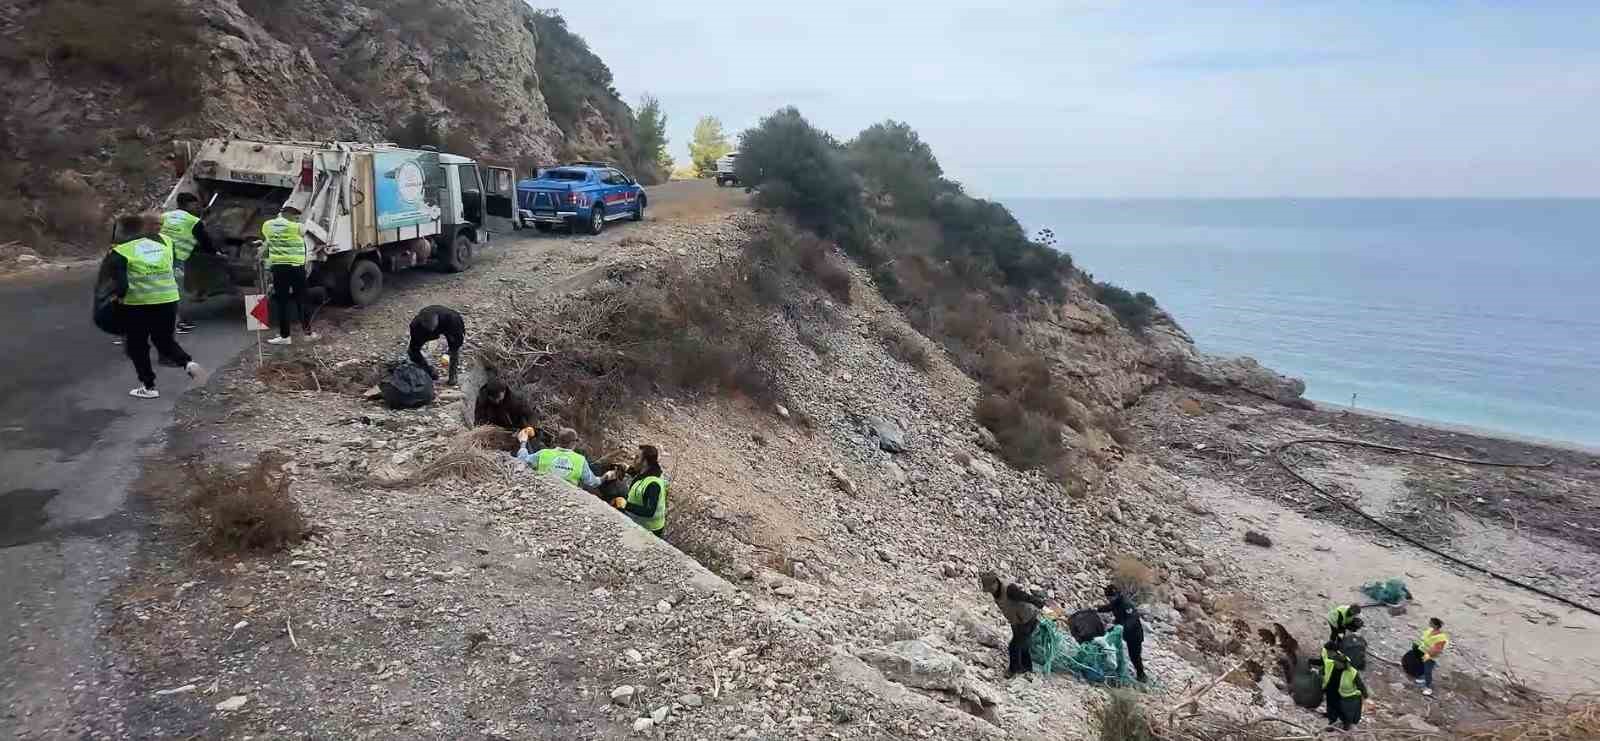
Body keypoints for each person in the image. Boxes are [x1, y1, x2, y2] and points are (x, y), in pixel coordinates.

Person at [105, 212, 207, 398]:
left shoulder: (122, 250)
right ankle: (189, 364)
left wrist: (117, 299)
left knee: (138, 345)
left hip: (138, 303)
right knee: (165, 341)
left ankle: (149, 386)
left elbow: (120, 284)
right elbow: (171, 265)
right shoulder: (168, 243)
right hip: (168, 299)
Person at [261, 205, 318, 346]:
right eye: (295, 216)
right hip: (296, 269)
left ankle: (285, 336)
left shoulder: (267, 225)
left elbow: (267, 239)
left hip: (279, 269)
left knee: (282, 302)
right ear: (287, 214)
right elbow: (305, 231)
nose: (296, 218)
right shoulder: (296, 227)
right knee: (302, 300)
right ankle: (308, 333)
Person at [160, 192, 216, 334]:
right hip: (175, 258)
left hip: (157, 255)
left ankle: (175, 321)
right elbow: (205, 240)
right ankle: (177, 323)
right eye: (195, 204)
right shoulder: (193, 221)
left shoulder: (165, 216)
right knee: (176, 293)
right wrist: (215, 253)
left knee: (161, 290)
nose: (198, 207)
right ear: (187, 205)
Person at [978, 572, 1046, 677]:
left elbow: (1025, 596)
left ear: (996, 582)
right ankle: (1026, 669)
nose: (990, 591)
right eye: (988, 590)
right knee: (1022, 643)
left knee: (1014, 645)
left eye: (991, 588)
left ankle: (1014, 670)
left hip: (1028, 617)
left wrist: (1039, 603)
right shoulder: (996, 592)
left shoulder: (1010, 589)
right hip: (1017, 620)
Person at [603, 444, 667, 536]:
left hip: (649, 528)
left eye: (637, 457)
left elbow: (649, 511)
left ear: (645, 462)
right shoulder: (649, 470)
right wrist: (627, 468)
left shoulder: (653, 485)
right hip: (638, 518)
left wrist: (625, 505)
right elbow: (640, 475)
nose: (634, 459)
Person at [517, 427, 601, 488]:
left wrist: (523, 442)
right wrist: (606, 477)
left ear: (558, 441)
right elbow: (593, 482)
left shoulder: (543, 454)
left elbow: (522, 461)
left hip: (542, 493)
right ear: (573, 443)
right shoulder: (580, 460)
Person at [1097, 583, 1148, 682]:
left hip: (1134, 634)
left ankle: (1141, 675)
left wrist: (1121, 627)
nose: (1109, 600)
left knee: (1134, 655)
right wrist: (1098, 609)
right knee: (1112, 648)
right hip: (1122, 631)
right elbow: (1108, 607)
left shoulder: (1126, 603)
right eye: (1108, 598)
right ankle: (1113, 669)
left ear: (1115, 596)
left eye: (1110, 598)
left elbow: (1133, 618)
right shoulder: (1115, 602)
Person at [408, 305, 465, 386]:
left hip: (448, 325)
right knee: (412, 352)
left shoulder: (452, 319)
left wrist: (448, 353)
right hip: (425, 329)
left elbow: (457, 343)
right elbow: (413, 348)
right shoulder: (416, 325)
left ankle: (453, 376)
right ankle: (430, 372)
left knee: (454, 350)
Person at [1321, 645, 1367, 730]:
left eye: (1337, 663)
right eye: (1335, 662)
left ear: (1343, 664)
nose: (1335, 664)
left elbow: (1360, 684)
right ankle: (1332, 721)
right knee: (1331, 706)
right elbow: (1324, 663)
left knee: (1344, 711)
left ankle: (1346, 724)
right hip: (1332, 689)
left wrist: (1365, 695)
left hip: (1346, 695)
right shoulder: (1331, 664)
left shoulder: (1352, 672)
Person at [1414, 617, 1450, 696]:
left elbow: (1437, 649)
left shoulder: (1441, 638)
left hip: (1431, 656)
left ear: (1436, 625)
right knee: (1422, 666)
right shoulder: (1429, 631)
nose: (1429, 624)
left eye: (1431, 623)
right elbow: (1423, 638)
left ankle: (1428, 687)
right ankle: (1423, 679)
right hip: (1423, 651)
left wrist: (1428, 655)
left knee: (1428, 671)